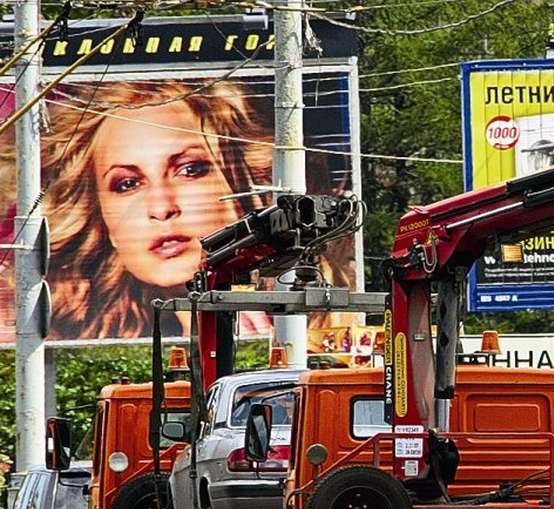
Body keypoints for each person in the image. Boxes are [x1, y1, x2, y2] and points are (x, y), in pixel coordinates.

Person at [0, 79, 353, 341]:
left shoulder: (337, 330)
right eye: (127, 184)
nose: (161, 207)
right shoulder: (43, 328)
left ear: (250, 179)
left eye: (190, 170)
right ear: (100, 217)